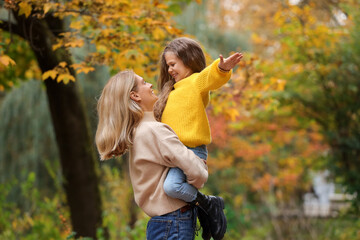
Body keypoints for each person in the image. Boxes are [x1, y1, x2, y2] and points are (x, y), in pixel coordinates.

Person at [95, 70, 225, 240]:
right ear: (135, 95)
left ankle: (205, 203)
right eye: (143, 83)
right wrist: (199, 170)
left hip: (164, 223)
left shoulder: (138, 131)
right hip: (174, 222)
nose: (150, 85)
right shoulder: (155, 131)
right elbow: (195, 170)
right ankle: (207, 203)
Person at [154, 37, 243, 240]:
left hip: (191, 150)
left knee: (172, 187)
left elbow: (210, 77)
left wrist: (222, 67)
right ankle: (204, 208)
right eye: (167, 66)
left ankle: (208, 204)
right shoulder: (170, 92)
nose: (170, 70)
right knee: (167, 190)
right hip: (174, 153)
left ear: (189, 60)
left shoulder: (195, 83)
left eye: (173, 64)